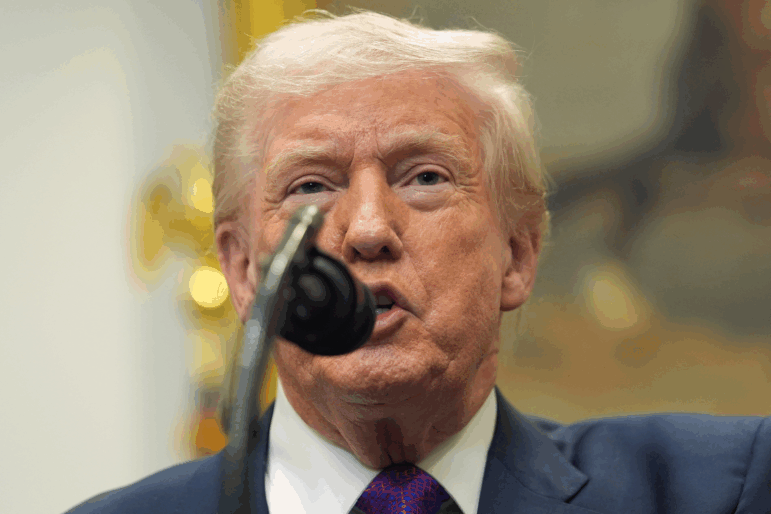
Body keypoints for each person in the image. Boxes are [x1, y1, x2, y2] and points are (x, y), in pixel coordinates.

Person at [66, 10, 771, 514]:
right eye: (311, 185)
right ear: (246, 270)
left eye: (424, 177)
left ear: (518, 255)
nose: (368, 229)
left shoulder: (719, 486)